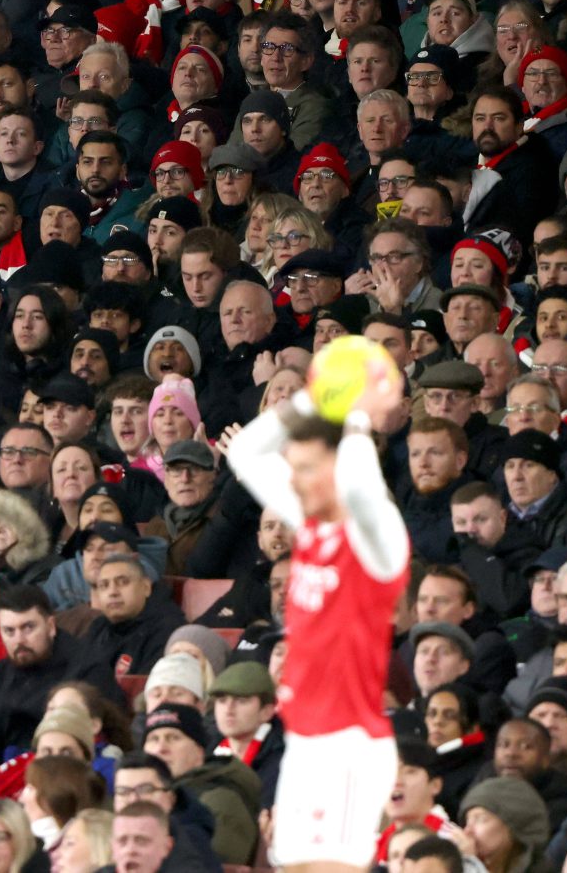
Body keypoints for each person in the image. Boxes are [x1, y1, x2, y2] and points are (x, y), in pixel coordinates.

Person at [228, 364, 411, 872]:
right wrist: (314, 398)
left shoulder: (375, 541)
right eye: (294, 467)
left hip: (347, 745)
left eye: (308, 467)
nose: (295, 480)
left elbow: (362, 493)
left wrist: (353, 419)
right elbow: (245, 453)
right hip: (305, 737)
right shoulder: (313, 526)